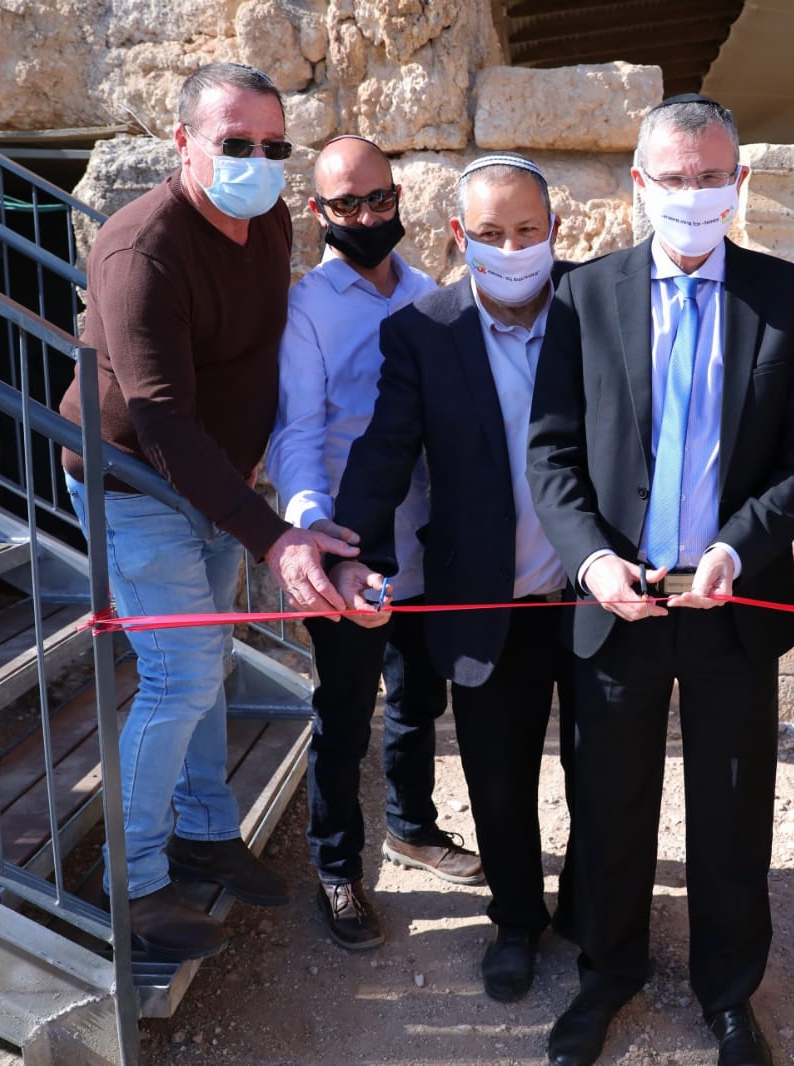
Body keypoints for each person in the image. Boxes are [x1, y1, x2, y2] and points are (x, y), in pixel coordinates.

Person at [527, 95, 794, 1066]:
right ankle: (606, 972)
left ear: (738, 182)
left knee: (732, 810)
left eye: (710, 177)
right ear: (639, 184)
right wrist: (590, 559)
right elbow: (552, 453)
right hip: (617, 602)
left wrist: (738, 547)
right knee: (609, 802)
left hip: (730, 605)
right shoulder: (584, 298)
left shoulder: (788, 297)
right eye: (674, 177)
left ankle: (729, 993)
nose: (692, 194)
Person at [58, 62, 358, 962]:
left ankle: (206, 833)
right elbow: (159, 418)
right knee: (181, 674)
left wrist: (259, 470)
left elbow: (256, 350)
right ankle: (133, 883)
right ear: (182, 141)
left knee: (207, 662)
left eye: (273, 145)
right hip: (134, 484)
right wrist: (271, 536)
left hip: (216, 481)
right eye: (235, 143)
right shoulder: (140, 250)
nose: (257, 161)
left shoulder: (268, 219)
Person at [326, 152, 577, 1002]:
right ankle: (516, 920)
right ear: (458, 235)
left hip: (593, 598)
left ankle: (592, 911)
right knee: (497, 776)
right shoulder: (423, 331)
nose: (511, 248)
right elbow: (385, 450)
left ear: (554, 230)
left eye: (527, 230)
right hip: (482, 595)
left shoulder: (598, 308)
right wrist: (353, 552)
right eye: (491, 233)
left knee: (603, 771)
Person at [263, 134, 481, 953]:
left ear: (398, 198)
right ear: (317, 210)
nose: (364, 216)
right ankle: (336, 867)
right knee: (345, 711)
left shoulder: (430, 296)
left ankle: (411, 827)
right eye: (346, 204)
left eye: (377, 199)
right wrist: (315, 527)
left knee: (419, 700)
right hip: (349, 540)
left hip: (427, 537)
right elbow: (298, 428)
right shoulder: (307, 307)